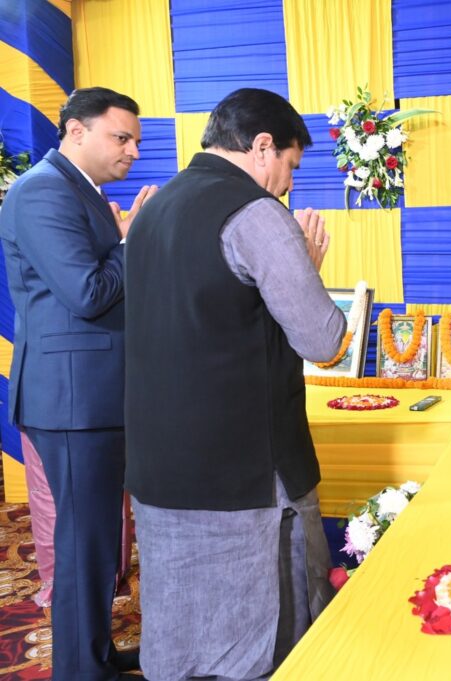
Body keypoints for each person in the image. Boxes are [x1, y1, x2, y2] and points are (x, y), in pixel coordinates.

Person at [124, 88, 347, 681]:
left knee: (181, 628)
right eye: (289, 167)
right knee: (260, 640)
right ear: (262, 146)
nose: (287, 186)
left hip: (160, 464)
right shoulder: (256, 213)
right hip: (244, 476)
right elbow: (322, 339)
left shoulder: (154, 210)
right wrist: (306, 270)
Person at [0, 86, 156, 680]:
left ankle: (94, 655)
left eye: (135, 140)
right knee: (83, 544)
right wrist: (131, 239)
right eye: (122, 137)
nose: (133, 151)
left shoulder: (79, 189)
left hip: (92, 394)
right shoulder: (42, 190)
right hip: (71, 399)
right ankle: (80, 670)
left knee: (96, 542)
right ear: (75, 131)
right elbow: (88, 293)